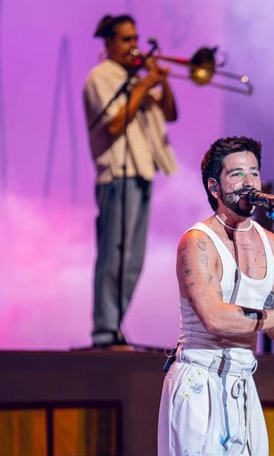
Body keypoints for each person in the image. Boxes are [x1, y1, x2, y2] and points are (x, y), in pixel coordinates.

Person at [157, 137, 274, 456]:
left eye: (254, 173)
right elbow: (215, 318)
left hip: (243, 383)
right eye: (237, 174)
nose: (248, 181)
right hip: (200, 380)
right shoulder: (197, 241)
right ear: (214, 187)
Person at [83, 14, 178, 348]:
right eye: (125, 39)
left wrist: (161, 82)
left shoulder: (133, 78)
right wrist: (141, 85)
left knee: (133, 259)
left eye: (135, 37)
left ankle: (114, 325)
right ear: (108, 44)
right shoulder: (102, 77)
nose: (133, 45)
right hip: (116, 176)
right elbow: (114, 123)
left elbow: (170, 114)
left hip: (142, 172)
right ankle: (103, 330)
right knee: (114, 254)